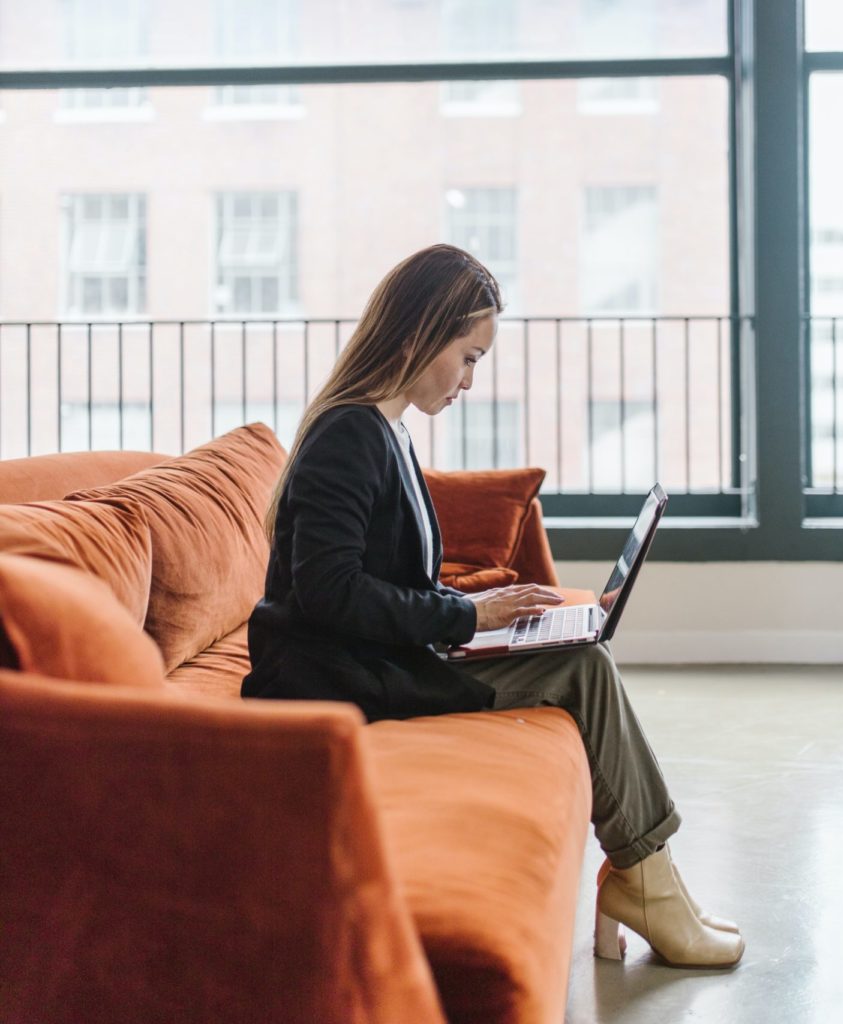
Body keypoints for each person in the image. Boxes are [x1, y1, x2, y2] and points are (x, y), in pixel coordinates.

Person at [241, 243, 744, 969]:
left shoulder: (386, 429)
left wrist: (483, 606)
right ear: (418, 335)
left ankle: (650, 878)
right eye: (468, 356)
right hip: (341, 681)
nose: (471, 381)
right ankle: (648, 883)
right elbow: (328, 592)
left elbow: (382, 577)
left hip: (375, 659)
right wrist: (467, 618)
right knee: (584, 667)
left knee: (576, 650)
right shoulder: (348, 435)